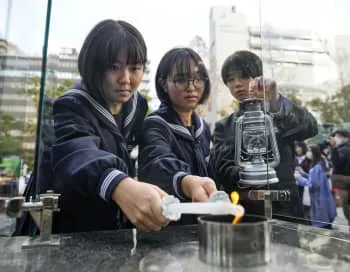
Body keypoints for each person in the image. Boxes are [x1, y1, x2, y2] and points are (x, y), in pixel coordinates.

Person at [49, 19, 170, 233]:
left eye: (135, 68)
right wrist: (118, 184)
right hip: (72, 227)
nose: (126, 79)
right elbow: (79, 154)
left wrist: (183, 179)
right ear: (93, 67)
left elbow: (150, 149)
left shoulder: (138, 105)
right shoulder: (72, 104)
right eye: (114, 67)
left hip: (116, 228)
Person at [210, 50, 318, 222]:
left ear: (258, 77)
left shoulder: (277, 112)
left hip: (285, 212)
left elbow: (311, 128)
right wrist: (249, 176)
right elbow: (220, 167)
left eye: (243, 76)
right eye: (230, 79)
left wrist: (275, 100)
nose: (237, 84)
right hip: (245, 211)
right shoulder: (224, 126)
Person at [138, 48, 217, 225]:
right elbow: (156, 163)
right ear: (164, 84)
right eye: (181, 80)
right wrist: (186, 181)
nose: (191, 87)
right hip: (168, 228)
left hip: (202, 226)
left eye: (197, 79)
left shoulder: (203, 128)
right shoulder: (155, 125)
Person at [295, 145, 337, 229]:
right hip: (322, 198)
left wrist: (299, 178)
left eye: (309, 151)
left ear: (314, 153)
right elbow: (313, 179)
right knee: (326, 221)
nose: (307, 153)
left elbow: (312, 184)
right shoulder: (317, 165)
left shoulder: (316, 167)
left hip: (318, 200)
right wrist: (303, 173)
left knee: (321, 224)